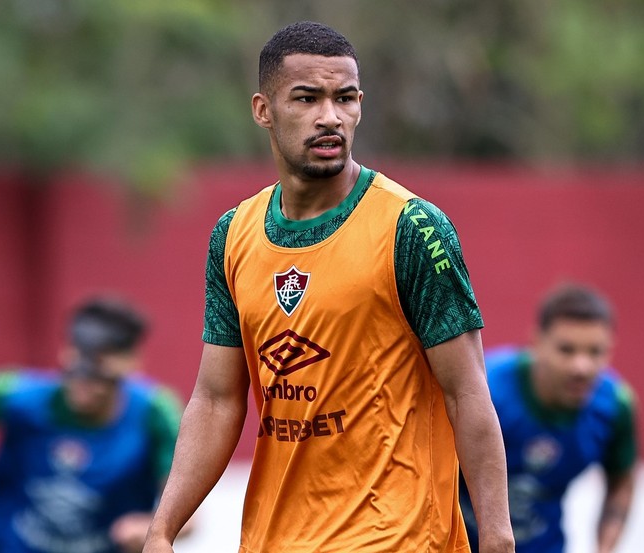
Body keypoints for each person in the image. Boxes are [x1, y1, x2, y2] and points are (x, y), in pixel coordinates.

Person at [144, 21, 514, 553]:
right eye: (307, 98)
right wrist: (162, 529)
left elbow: (467, 391)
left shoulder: (413, 227)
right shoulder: (234, 234)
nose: (330, 117)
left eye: (345, 98)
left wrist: (497, 536)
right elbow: (217, 398)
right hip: (275, 540)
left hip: (397, 538)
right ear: (263, 110)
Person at [0, 297, 185, 553]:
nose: (85, 384)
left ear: (131, 364)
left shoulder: (155, 413)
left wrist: (152, 528)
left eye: (100, 375)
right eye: (78, 368)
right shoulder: (23, 398)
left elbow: (189, 518)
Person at [459, 284, 639, 553]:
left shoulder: (615, 407)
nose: (581, 366)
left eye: (595, 352)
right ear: (537, 342)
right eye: (567, 350)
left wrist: (604, 547)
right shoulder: (484, 389)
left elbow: (621, 481)